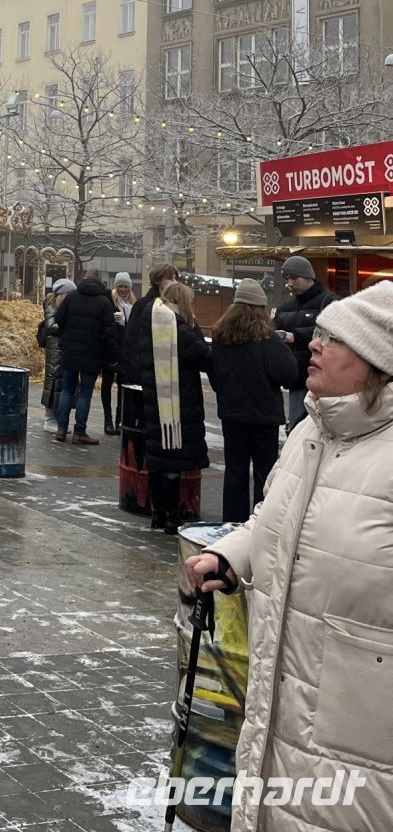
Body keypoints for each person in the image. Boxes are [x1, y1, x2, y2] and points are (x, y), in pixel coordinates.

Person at [186, 283, 393, 831]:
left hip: (363, 736)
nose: (315, 346)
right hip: (278, 708)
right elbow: (272, 521)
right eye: (317, 333)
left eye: (334, 338)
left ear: (377, 364)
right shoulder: (309, 432)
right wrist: (231, 555)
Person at [207, 279, 297, 523]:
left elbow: (216, 377)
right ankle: (259, 523)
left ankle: (232, 524)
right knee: (264, 474)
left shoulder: (220, 336)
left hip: (232, 414)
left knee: (234, 472)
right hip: (263, 416)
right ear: (260, 308)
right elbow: (289, 374)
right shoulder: (267, 339)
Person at [138, 280, 209, 533]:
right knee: (172, 460)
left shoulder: (152, 319)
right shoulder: (177, 326)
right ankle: (171, 517)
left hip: (154, 399)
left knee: (158, 460)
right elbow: (202, 355)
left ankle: (157, 513)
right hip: (177, 405)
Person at [53, 272, 118, 445]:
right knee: (85, 393)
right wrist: (112, 353)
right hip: (92, 353)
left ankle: (61, 428)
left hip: (70, 350)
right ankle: (79, 431)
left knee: (67, 390)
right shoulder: (104, 302)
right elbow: (110, 331)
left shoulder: (72, 297)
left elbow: (58, 319)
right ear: (100, 282)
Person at [271, 254, 332, 430]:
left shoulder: (329, 302)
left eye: (294, 278)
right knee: (298, 430)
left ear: (308, 277)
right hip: (296, 380)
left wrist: (295, 336)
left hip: (323, 381)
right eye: (287, 278)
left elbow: (333, 332)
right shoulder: (284, 309)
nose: (290, 283)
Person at [121, 263, 178, 387]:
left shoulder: (175, 305)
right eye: (170, 278)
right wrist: (137, 371)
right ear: (158, 281)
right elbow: (131, 340)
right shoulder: (143, 306)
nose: (174, 282)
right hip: (146, 373)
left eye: (175, 278)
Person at [101, 272, 135, 435]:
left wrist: (125, 324)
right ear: (115, 286)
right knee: (107, 386)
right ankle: (108, 421)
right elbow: (104, 326)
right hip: (109, 352)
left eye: (126, 286)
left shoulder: (133, 304)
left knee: (123, 389)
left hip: (125, 354)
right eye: (120, 286)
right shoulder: (109, 301)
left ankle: (119, 420)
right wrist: (116, 324)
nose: (123, 289)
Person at [38, 279, 73, 431]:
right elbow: (51, 326)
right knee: (52, 383)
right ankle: (50, 419)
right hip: (55, 348)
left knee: (60, 383)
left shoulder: (61, 305)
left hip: (61, 347)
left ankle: (57, 419)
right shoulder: (52, 304)